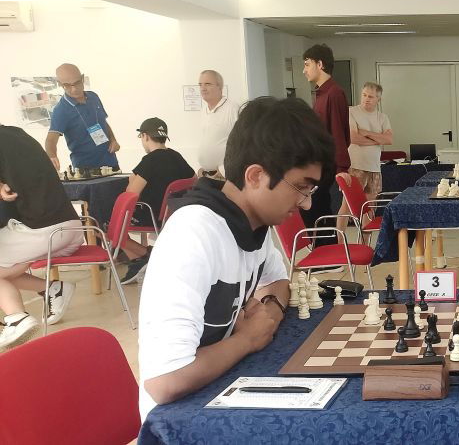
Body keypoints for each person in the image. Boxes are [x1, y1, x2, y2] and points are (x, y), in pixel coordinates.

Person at [137, 97, 332, 420]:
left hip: (223, 386)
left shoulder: (252, 224)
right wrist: (248, 338)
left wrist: (268, 312)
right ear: (255, 176)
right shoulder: (192, 234)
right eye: (301, 187)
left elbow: (277, 282)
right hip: (182, 421)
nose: (306, 204)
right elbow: (165, 382)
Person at [0, 125, 84, 350]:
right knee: (5, 272)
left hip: (42, 230)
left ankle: (16, 318)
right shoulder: (17, 134)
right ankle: (52, 288)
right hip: (70, 226)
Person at [118, 117, 195, 284]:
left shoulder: (150, 161)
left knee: (107, 224)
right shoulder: (176, 156)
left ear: (145, 136)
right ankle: (139, 261)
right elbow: (194, 179)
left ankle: (147, 255)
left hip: (151, 215)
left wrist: (132, 180)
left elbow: (130, 193)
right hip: (172, 214)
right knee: (115, 223)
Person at [302, 44, 351, 247]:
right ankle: (326, 253)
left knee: (315, 209)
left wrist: (342, 168)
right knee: (315, 210)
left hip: (326, 166)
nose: (304, 70)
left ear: (320, 64)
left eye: (307, 64)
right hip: (317, 163)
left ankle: (327, 254)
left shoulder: (334, 93)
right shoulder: (322, 94)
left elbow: (339, 133)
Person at [337, 82, 393, 235]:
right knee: (346, 206)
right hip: (355, 166)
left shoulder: (382, 117)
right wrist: (378, 139)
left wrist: (366, 133)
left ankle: (365, 244)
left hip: (374, 168)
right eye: (364, 95)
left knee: (369, 209)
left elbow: (389, 139)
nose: (366, 99)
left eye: (371, 97)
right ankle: (340, 242)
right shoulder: (351, 112)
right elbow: (353, 138)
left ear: (378, 99)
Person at [46, 63, 120, 171]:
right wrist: (52, 157)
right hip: (86, 168)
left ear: (82, 78)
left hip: (110, 161)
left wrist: (113, 140)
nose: (74, 89)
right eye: (67, 85)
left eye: (77, 83)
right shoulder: (61, 110)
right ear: (60, 84)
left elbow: (103, 122)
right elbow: (50, 140)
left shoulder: (94, 97)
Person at [197, 69, 239, 179]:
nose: (203, 88)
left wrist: (223, 170)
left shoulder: (233, 108)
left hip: (225, 175)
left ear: (219, 86)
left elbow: (243, 143)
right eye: (200, 85)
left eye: (207, 84)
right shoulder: (203, 110)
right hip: (207, 174)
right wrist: (202, 168)